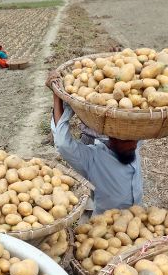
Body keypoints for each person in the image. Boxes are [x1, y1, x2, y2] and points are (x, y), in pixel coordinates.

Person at [46, 72, 143, 214]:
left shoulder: (134, 142)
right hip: (105, 226)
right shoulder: (92, 158)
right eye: (128, 142)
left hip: (138, 218)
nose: (134, 146)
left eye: (135, 141)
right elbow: (62, 143)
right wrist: (58, 97)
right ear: (112, 136)